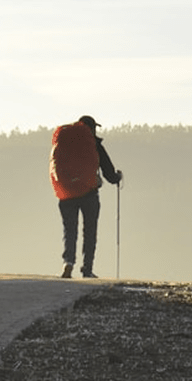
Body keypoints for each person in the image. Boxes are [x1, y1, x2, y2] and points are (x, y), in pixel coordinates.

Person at [56, 115, 122, 279]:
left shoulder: (65, 142)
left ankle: (68, 262)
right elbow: (107, 170)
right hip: (89, 194)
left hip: (67, 193)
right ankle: (87, 269)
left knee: (70, 230)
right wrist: (117, 178)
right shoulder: (93, 144)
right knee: (89, 231)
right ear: (91, 128)